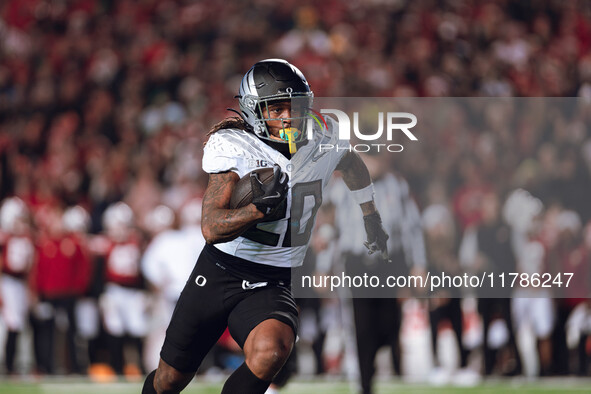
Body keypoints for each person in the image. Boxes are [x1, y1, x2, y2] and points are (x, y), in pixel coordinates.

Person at [142, 59, 390, 394]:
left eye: (296, 106)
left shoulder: (325, 136)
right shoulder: (235, 145)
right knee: (169, 380)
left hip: (274, 276)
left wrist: (369, 214)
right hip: (219, 271)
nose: (289, 116)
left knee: (272, 350)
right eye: (277, 108)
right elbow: (211, 227)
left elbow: (353, 165)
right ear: (255, 111)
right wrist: (256, 210)